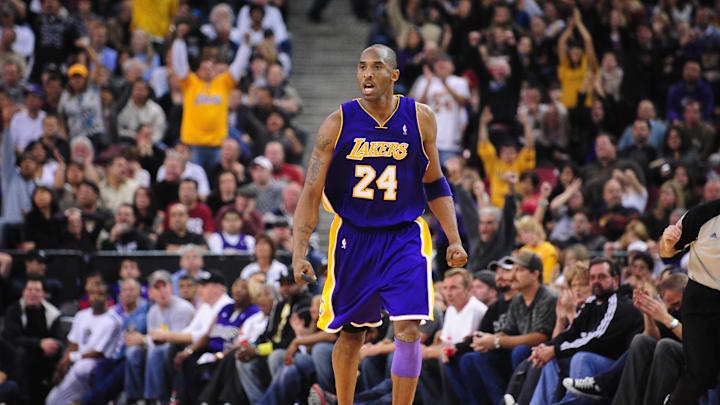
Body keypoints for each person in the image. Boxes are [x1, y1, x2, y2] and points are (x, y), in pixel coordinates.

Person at [291, 44, 467, 405]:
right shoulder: (337, 123)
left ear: (394, 75)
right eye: (361, 67)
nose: (367, 74)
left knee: (408, 328)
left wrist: (454, 238)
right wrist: (299, 252)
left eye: (376, 67)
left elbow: (434, 182)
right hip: (354, 238)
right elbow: (310, 192)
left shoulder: (420, 118)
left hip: (404, 236)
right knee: (352, 334)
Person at [660, 198, 720, 404]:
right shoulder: (705, 213)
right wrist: (668, 243)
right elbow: (667, 253)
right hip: (702, 299)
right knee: (699, 375)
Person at [124, 270, 196, 404]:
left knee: (156, 352)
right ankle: (135, 397)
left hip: (181, 348)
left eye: (165, 286)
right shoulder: (153, 311)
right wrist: (143, 341)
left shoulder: (183, 308)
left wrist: (145, 339)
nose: (162, 291)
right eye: (157, 288)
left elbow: (177, 339)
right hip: (162, 346)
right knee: (132, 352)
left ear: (171, 288)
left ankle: (155, 398)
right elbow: (153, 339)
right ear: (150, 293)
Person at [46, 283, 122, 405]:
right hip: (77, 366)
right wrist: (62, 364)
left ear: (108, 297)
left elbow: (99, 353)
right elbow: (73, 344)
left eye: (100, 294)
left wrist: (71, 358)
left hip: (100, 366)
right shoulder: (82, 315)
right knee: (52, 401)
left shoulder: (113, 321)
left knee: (84, 367)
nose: (96, 297)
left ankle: (87, 400)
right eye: (92, 294)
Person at [2, 276, 62, 403]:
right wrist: (39, 343)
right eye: (29, 290)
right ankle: (22, 399)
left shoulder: (53, 314)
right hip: (16, 358)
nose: (32, 293)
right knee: (20, 353)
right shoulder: (14, 310)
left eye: (37, 290)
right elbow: (11, 338)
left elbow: (57, 340)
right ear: (23, 292)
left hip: (43, 358)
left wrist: (52, 346)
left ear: (44, 295)